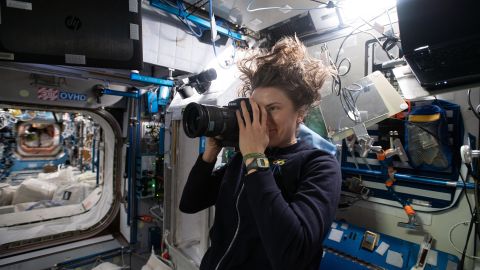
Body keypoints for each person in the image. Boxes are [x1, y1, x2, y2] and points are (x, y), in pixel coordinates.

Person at [179, 36, 342, 270]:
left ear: (300, 113)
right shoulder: (242, 160)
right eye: (257, 109)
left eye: (273, 108)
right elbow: (190, 203)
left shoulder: (319, 165)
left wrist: (254, 158)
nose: (261, 120)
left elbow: (293, 254)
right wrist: (210, 154)